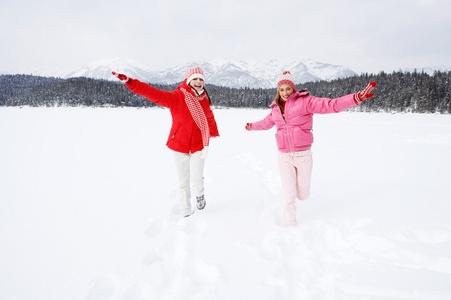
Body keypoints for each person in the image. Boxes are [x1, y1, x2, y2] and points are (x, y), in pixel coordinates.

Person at [245, 71, 376, 227]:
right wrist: (252, 126)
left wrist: (356, 98)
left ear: (293, 89)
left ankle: (302, 197)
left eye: (288, 88)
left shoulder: (306, 102)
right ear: (278, 91)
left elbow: (331, 105)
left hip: (303, 155)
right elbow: (265, 123)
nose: (285, 93)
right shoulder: (275, 109)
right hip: (284, 156)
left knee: (302, 193)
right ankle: (290, 223)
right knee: (289, 193)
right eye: (281, 89)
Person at [112, 67, 220, 218]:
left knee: (196, 177)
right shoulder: (178, 97)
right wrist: (132, 83)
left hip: (198, 145)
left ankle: (200, 195)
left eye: (201, 79)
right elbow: (155, 94)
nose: (198, 82)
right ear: (189, 81)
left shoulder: (204, 100)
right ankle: (186, 210)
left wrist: (213, 133)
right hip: (179, 145)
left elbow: (209, 117)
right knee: (183, 181)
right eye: (195, 79)